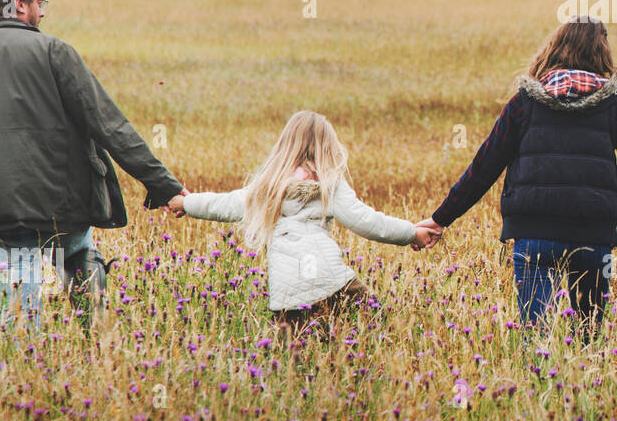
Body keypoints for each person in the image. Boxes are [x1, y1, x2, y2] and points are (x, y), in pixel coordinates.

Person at [0, 0, 186, 330]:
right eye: (39, 2)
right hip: (61, 205)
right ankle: (97, 343)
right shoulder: (53, 51)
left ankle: (24, 376)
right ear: (17, 5)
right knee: (80, 259)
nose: (42, 12)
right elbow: (111, 126)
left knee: (19, 323)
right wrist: (163, 185)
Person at [421, 17, 617, 331]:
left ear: (553, 50)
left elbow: (484, 167)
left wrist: (440, 219)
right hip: (593, 239)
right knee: (588, 341)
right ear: (603, 54)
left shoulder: (523, 103)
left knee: (538, 342)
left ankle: (538, 378)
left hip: (534, 236)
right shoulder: (614, 109)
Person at [175, 110, 435, 332]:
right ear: (328, 145)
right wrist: (411, 233)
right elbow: (365, 220)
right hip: (331, 281)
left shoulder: (270, 184)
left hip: (287, 294)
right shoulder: (329, 181)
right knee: (379, 333)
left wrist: (185, 203)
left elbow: (224, 204)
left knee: (296, 367)